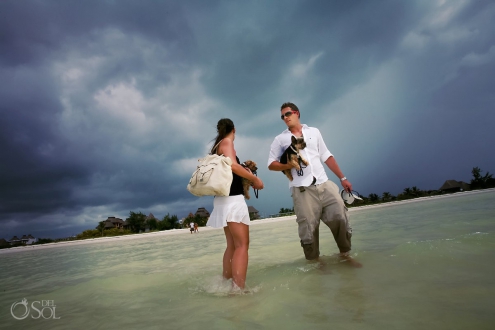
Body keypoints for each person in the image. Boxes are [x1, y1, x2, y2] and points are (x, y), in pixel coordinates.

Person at [267, 102, 361, 266]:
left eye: (288, 114)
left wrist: (343, 177)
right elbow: (271, 164)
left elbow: (326, 156)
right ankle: (316, 264)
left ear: (297, 113)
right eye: (282, 116)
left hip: (325, 184)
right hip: (302, 189)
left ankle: (345, 256)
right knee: (308, 229)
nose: (285, 118)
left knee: (340, 217)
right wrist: (289, 165)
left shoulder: (314, 132)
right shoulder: (280, 139)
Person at [207, 118, 264, 290]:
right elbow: (232, 166)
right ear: (234, 130)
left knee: (232, 245)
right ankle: (237, 290)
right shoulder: (227, 142)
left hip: (221, 200)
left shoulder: (217, 146)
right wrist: (255, 179)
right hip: (232, 200)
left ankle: (225, 284)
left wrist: (243, 170)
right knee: (242, 245)